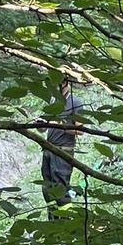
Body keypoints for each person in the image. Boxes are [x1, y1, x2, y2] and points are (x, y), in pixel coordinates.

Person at [41, 79, 83, 215]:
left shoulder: (75, 102)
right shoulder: (54, 103)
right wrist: (42, 124)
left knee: (60, 189)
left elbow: (80, 130)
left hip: (63, 152)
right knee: (47, 189)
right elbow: (44, 128)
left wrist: (57, 123)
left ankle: (66, 222)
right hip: (48, 150)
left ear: (65, 83)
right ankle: (52, 222)